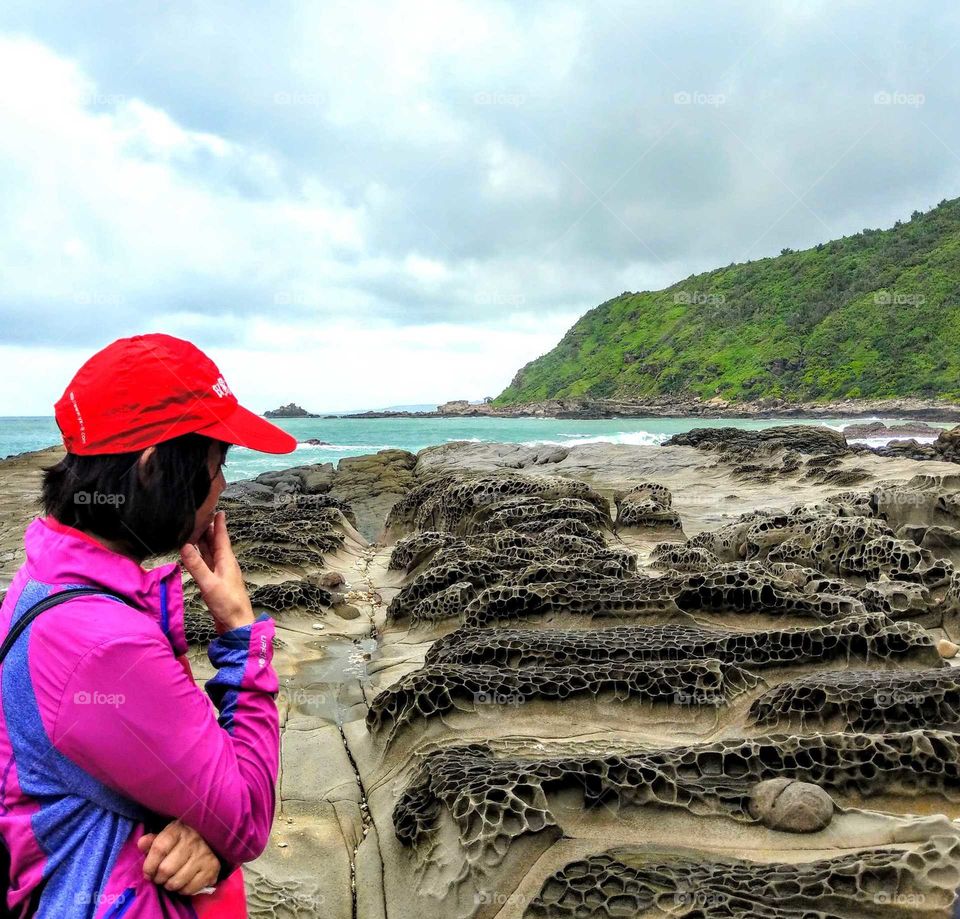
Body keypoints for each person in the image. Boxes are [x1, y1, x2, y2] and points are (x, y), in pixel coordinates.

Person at [0, 333, 297, 917]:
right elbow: (247, 818)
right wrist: (242, 637)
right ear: (154, 469)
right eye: (217, 464)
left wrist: (199, 832)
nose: (223, 486)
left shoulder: (44, 580)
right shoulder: (103, 644)